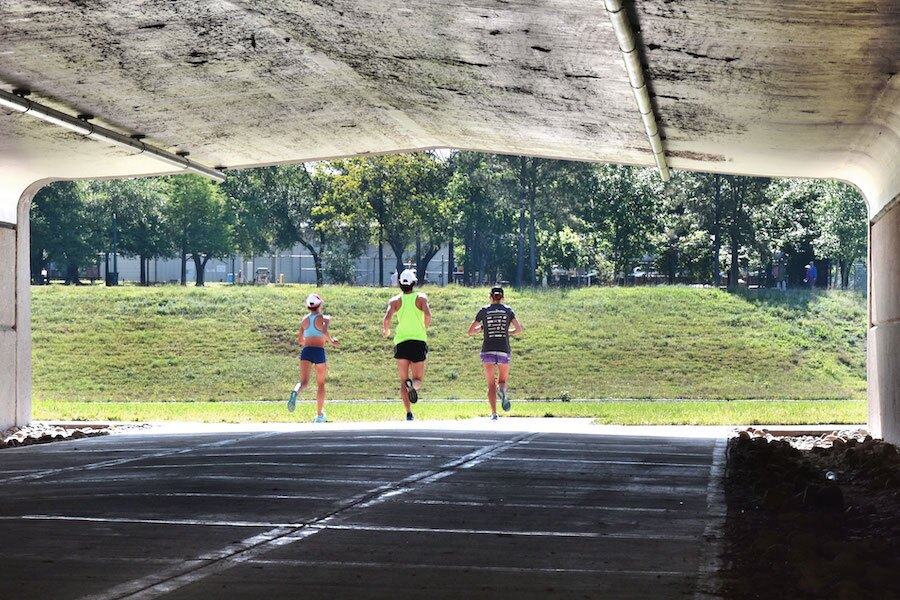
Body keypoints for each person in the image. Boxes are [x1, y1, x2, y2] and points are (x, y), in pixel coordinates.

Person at [467, 286, 522, 420]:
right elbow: (518, 329)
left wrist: (481, 329)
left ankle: (494, 414)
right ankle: (502, 391)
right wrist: (507, 332)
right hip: (504, 349)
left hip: (488, 350)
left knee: (490, 384)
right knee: (502, 381)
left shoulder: (484, 311)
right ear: (503, 298)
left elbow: (470, 331)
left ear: (490, 297)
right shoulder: (508, 311)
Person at [383, 269, 431, 421]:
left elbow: (387, 318)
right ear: (414, 282)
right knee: (418, 379)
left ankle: (408, 413)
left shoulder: (395, 301)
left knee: (403, 380)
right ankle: (413, 386)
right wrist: (425, 326)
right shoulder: (421, 298)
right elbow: (428, 315)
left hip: (401, 342)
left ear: (399, 284)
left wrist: (386, 331)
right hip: (418, 341)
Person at [288, 293, 339, 422]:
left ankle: (295, 391)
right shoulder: (321, 317)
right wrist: (332, 340)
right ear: (319, 304)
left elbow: (300, 340)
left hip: (306, 351)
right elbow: (324, 332)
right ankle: (320, 414)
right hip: (319, 351)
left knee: (304, 382)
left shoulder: (304, 320)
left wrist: (309, 340)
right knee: (321, 384)